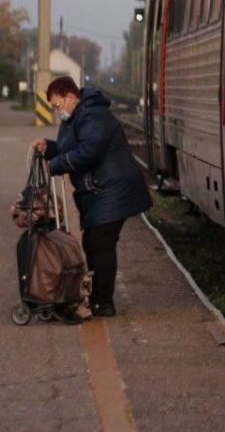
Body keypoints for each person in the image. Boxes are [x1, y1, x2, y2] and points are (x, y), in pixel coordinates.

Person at [32, 76, 152, 318]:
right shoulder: (76, 116)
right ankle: (98, 298)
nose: (56, 111)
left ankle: (103, 303)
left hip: (111, 190)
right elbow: (72, 147)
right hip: (100, 190)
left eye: (57, 105)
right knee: (93, 243)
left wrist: (56, 165)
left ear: (70, 97)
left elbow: (90, 151)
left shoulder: (93, 115)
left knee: (101, 244)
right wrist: (50, 148)